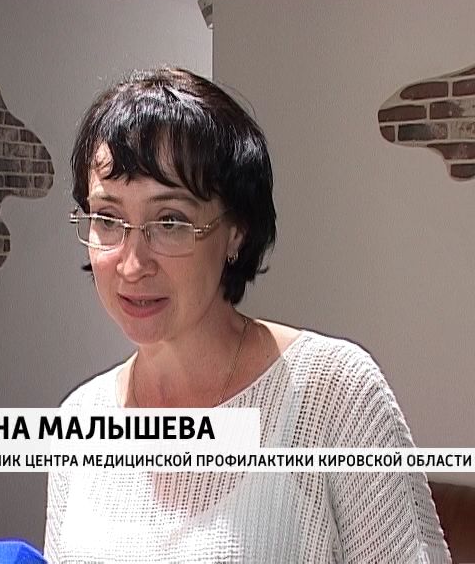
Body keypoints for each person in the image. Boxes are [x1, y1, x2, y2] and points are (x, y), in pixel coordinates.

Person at [44, 67, 451, 563]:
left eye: (170, 221)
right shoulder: (81, 419)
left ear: (235, 231)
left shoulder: (334, 394)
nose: (132, 264)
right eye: (108, 219)